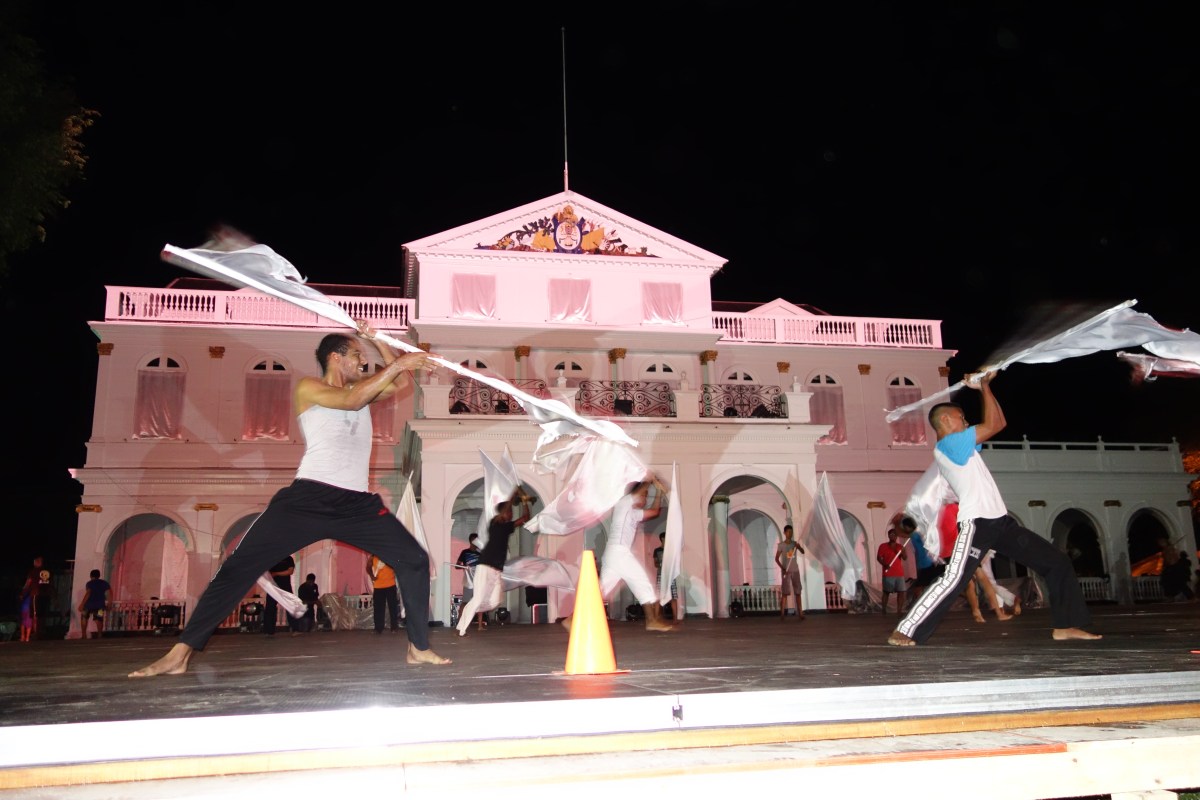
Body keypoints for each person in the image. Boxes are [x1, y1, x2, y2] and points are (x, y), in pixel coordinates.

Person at [130, 327, 451, 677]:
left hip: (357, 504)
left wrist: (378, 341)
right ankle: (179, 653)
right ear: (336, 358)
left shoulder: (361, 387)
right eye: (357, 354)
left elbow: (398, 383)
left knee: (415, 560)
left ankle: (418, 648)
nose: (363, 361)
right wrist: (400, 362)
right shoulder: (309, 388)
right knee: (239, 567)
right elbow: (354, 400)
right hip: (308, 498)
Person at [888, 372, 1101, 646]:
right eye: (962, 418)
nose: (966, 422)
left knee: (1056, 562)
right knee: (954, 579)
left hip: (1000, 523)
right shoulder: (950, 444)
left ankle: (1067, 625)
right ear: (946, 420)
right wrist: (984, 386)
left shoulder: (963, 447)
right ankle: (906, 630)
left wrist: (984, 387)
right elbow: (994, 424)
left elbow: (999, 421)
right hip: (977, 523)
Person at [585, 474, 677, 632]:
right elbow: (639, 490)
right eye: (644, 496)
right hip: (619, 552)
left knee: (600, 591)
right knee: (643, 583)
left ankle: (572, 619)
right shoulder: (624, 503)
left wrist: (658, 493)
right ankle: (652, 621)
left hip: (614, 554)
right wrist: (650, 480)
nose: (645, 499)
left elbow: (655, 512)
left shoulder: (633, 513)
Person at [456, 491, 530, 636]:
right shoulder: (494, 523)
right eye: (509, 511)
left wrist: (525, 501)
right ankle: (462, 629)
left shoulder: (507, 527)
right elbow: (503, 512)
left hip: (496, 570)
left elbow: (525, 518)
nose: (511, 514)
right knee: (478, 599)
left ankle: (471, 608)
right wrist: (512, 496)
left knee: (496, 601)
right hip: (485, 566)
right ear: (503, 512)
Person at [896, 515, 941, 612]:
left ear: (908, 527)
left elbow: (900, 533)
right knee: (923, 587)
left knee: (918, 588)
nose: (905, 529)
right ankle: (925, 608)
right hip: (925, 564)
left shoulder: (916, 534)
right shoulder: (917, 534)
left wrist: (896, 522)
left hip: (927, 564)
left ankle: (921, 609)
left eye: (905, 527)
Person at [774, 524, 806, 620]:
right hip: (786, 571)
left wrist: (799, 547)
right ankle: (782, 614)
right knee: (785, 592)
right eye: (788, 532)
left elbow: (803, 552)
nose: (790, 534)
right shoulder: (781, 545)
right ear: (784, 533)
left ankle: (800, 613)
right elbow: (776, 558)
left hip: (795, 570)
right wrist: (782, 568)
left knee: (798, 592)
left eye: (791, 532)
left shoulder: (794, 544)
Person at [263, 555, 300, 636]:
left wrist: (276, 573)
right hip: (273, 587)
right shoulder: (271, 558)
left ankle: (295, 629)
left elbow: (290, 571)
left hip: (285, 586)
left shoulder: (288, 558)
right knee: (270, 608)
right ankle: (269, 631)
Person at [19, 556, 52, 641]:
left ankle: (36, 633)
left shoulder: (33, 572)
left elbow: (28, 583)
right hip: (45, 596)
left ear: (36, 562)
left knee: (35, 614)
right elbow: (51, 584)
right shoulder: (48, 572)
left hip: (36, 595)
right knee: (42, 614)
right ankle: (40, 632)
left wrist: (23, 593)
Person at [455, 533, 484, 629]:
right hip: (469, 582)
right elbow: (457, 566)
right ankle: (459, 624)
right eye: (475, 541)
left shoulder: (480, 554)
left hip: (479, 581)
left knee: (479, 602)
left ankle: (480, 626)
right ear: (471, 541)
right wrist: (465, 567)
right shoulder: (465, 552)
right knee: (465, 602)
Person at [368, 553, 402, 634]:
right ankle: (378, 628)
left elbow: (396, 566)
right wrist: (372, 576)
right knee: (378, 608)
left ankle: (394, 627)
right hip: (378, 586)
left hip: (390, 585)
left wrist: (387, 563)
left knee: (393, 607)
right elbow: (368, 567)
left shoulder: (389, 554)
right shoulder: (373, 555)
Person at [876, 528, 907, 614]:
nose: (892, 536)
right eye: (891, 534)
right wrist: (884, 564)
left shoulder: (900, 547)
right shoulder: (883, 546)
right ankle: (884, 610)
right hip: (888, 573)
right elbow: (878, 557)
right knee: (886, 592)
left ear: (896, 536)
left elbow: (905, 558)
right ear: (888, 536)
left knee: (901, 592)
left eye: (894, 535)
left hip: (899, 573)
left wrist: (903, 552)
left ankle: (899, 611)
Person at [78, 568, 112, 639]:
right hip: (100, 606)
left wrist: (82, 604)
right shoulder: (104, 583)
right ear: (99, 576)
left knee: (84, 617)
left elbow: (88, 593)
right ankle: (99, 634)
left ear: (91, 576)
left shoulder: (89, 583)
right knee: (99, 619)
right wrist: (109, 604)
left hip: (88, 605)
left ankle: (84, 635)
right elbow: (109, 593)